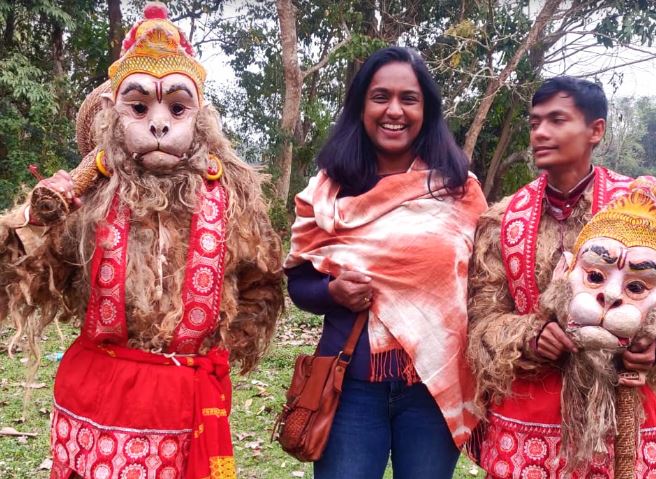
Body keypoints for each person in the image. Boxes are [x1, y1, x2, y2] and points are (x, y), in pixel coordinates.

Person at [0, 3, 282, 479]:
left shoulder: (232, 202)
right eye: (138, 107)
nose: (158, 123)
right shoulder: (84, 203)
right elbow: (19, 274)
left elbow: (263, 281)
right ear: (116, 116)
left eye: (176, 107)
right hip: (101, 397)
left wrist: (221, 350)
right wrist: (34, 218)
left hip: (187, 400)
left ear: (199, 120)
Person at [284, 46, 488, 479]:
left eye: (408, 99)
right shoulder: (328, 193)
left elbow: (484, 287)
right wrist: (331, 292)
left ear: (426, 110)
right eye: (380, 97)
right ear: (361, 106)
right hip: (349, 387)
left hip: (433, 389)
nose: (393, 110)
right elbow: (299, 283)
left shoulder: (458, 191)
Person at [467, 76, 656, 477]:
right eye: (535, 122)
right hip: (528, 421)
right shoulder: (502, 219)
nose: (540, 132)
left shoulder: (647, 211)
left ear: (596, 130)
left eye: (556, 120)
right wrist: (530, 335)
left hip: (619, 414)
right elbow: (481, 322)